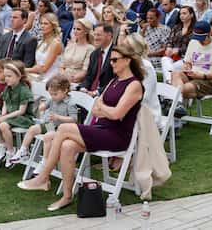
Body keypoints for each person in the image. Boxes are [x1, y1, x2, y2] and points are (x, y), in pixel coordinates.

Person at [17, 41, 143, 212]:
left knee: (63, 129)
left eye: (115, 60)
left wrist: (104, 108)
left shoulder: (134, 85)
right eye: (111, 60)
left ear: (127, 60)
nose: (111, 63)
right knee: (67, 146)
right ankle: (67, 196)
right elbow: (96, 109)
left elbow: (116, 114)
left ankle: (43, 177)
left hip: (117, 136)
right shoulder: (114, 81)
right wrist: (105, 109)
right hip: (101, 130)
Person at [7, 74, 78, 167]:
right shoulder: (52, 99)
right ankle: (23, 151)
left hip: (62, 130)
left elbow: (74, 119)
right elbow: (45, 104)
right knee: (33, 129)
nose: (52, 96)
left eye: (55, 94)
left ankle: (45, 161)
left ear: (65, 90)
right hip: (51, 126)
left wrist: (59, 117)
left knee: (48, 136)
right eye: (51, 94)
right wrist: (42, 106)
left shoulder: (70, 103)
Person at [171, 20, 212, 110]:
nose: (200, 41)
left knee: (177, 90)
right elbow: (188, 62)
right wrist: (187, 66)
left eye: (202, 38)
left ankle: (174, 106)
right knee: (175, 73)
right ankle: (178, 106)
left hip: (210, 81)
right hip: (193, 74)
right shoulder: (193, 42)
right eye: (197, 37)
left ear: (209, 33)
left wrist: (203, 76)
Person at [0, 61, 34, 167]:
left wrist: (5, 117)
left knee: (3, 125)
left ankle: (10, 151)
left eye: (9, 76)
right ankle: (3, 144)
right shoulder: (8, 88)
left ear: (18, 76)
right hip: (9, 115)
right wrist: (3, 115)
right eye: (6, 75)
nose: (6, 78)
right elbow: (5, 104)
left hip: (22, 117)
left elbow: (21, 111)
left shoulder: (23, 90)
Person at [27, 13, 64, 82]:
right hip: (38, 76)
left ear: (53, 26)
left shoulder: (56, 43)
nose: (42, 26)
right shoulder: (40, 42)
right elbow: (36, 65)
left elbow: (44, 68)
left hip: (51, 79)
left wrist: (23, 70)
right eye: (41, 23)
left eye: (46, 24)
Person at [80, 23, 116, 95]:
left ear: (109, 36)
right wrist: (84, 87)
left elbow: (116, 81)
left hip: (106, 94)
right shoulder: (94, 54)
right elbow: (89, 76)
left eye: (99, 35)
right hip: (89, 93)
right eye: (95, 35)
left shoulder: (116, 54)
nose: (95, 38)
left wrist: (96, 92)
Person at [60, 18, 95, 83]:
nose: (75, 31)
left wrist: (71, 79)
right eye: (74, 29)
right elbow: (61, 66)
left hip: (77, 81)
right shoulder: (69, 45)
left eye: (78, 29)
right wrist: (63, 77)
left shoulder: (90, 48)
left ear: (86, 32)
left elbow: (85, 71)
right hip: (62, 79)